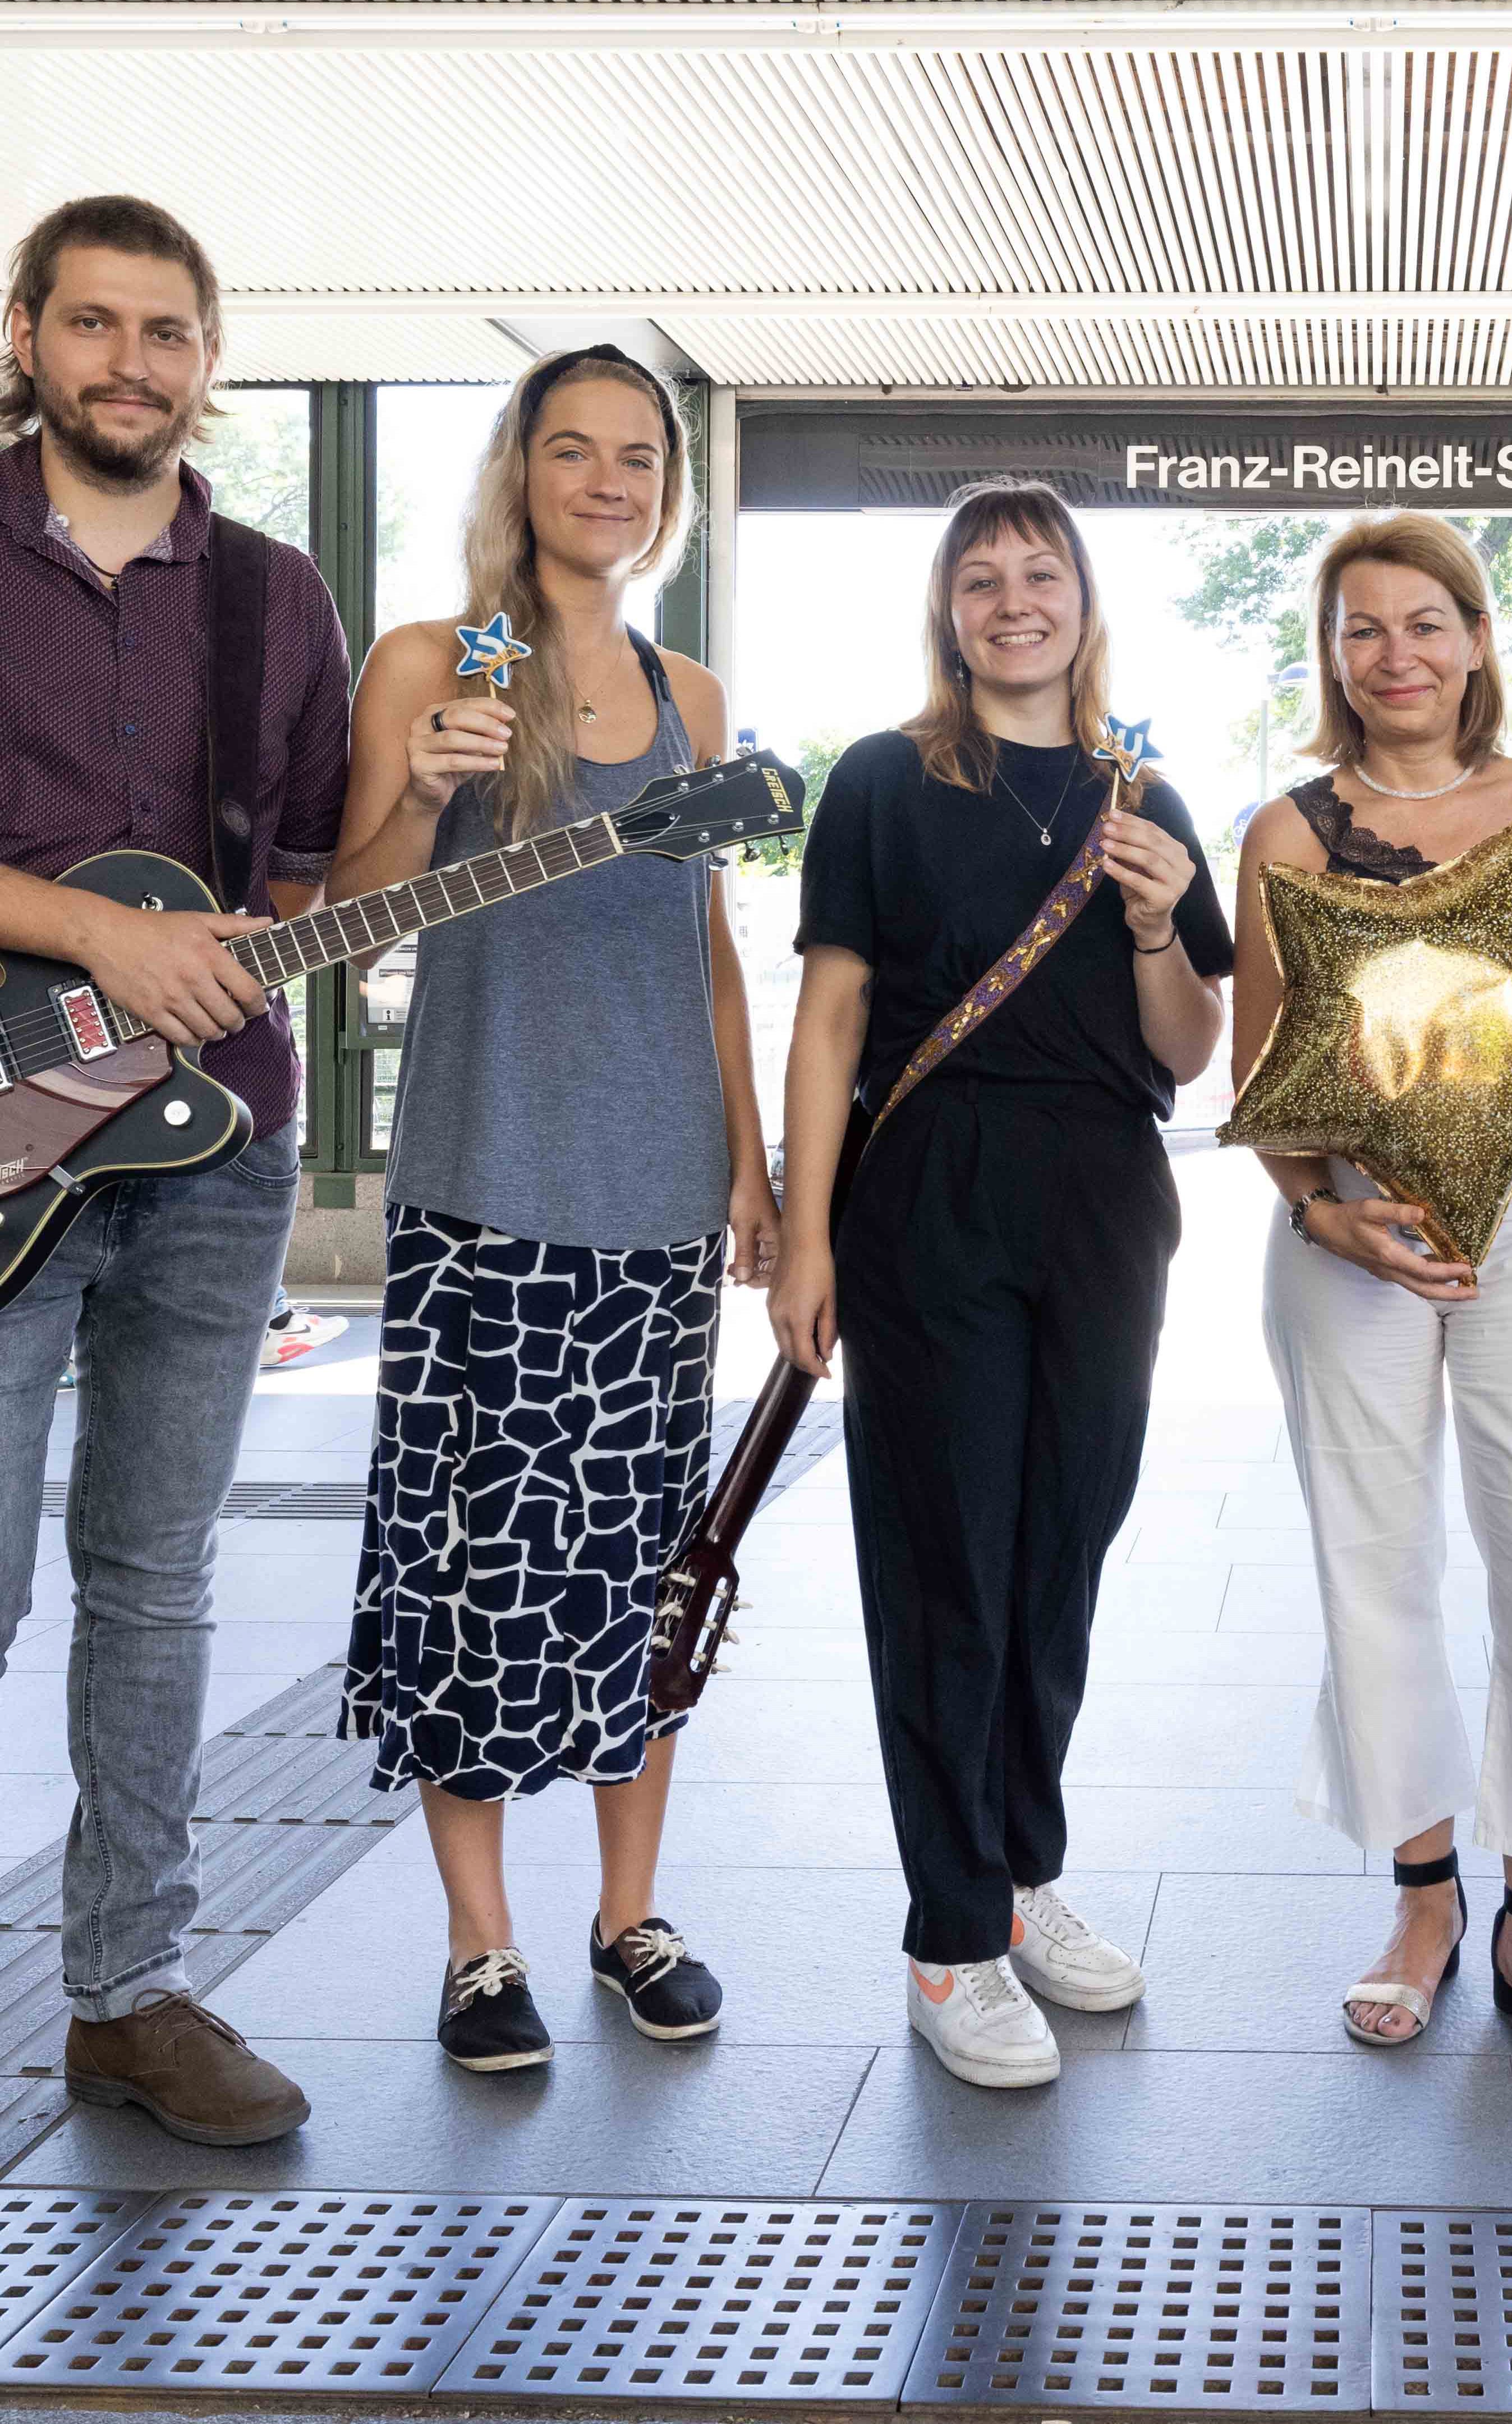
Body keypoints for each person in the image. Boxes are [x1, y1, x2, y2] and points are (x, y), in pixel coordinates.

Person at [332, 345, 775, 2074]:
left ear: (666, 485)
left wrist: (746, 1163)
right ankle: (479, 1939)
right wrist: (428, 790)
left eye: (638, 455)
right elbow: (345, 920)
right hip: (483, 1180)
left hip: (658, 1193)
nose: (608, 479)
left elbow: (709, 950)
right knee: (475, 1567)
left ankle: (626, 1910)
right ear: (519, 472)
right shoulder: (446, 661)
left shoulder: (692, 695)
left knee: (640, 1565)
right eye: (573, 450)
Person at [774, 483, 1230, 2092]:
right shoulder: (884, 784)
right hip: (930, 1193)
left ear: (1084, 602)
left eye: (1042, 575)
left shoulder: (1145, 793)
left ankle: (1024, 1875)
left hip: (1107, 1196)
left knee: (1061, 1547)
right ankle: (949, 1936)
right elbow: (831, 1019)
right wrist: (805, 1234)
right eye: (984, 579)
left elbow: (1188, 1051)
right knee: (944, 1557)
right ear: (948, 610)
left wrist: (1166, 917)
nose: (1014, 600)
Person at [0, 196, 348, 2145]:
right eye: (98, 326)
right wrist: (87, 931)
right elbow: (109, 922)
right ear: (30, 334)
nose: (134, 363)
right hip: (4, 1122)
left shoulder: (271, 593)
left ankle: (129, 1989)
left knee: (155, 1577)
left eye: (170, 333)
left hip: (216, 1144)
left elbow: (294, 871)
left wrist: (415, 839)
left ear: (211, 357)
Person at [1234, 513, 1512, 2088]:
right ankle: (1421, 1904)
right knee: (1371, 1562)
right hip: (1347, 1228)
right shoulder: (1283, 831)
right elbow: (1256, 1081)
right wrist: (1328, 1216)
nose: (1393, 654)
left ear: (1475, 638)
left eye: (1424, 622)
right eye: (1360, 629)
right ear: (1331, 656)